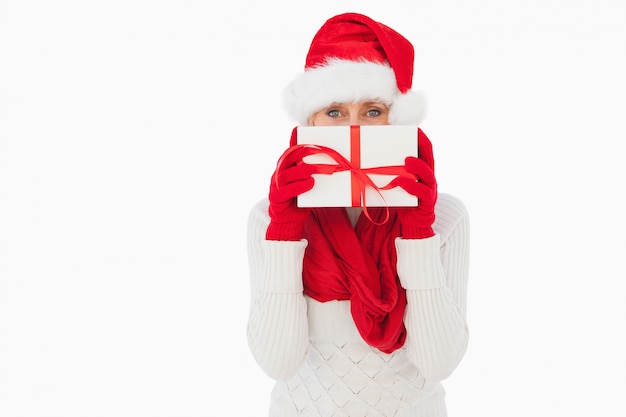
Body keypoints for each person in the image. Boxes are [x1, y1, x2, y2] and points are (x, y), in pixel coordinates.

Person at [246, 12, 470, 417]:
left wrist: (418, 234)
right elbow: (277, 362)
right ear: (309, 120)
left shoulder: (445, 217)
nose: (354, 131)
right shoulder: (268, 217)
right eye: (334, 112)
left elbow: (439, 363)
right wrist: (284, 233)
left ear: (396, 119)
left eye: (371, 112)